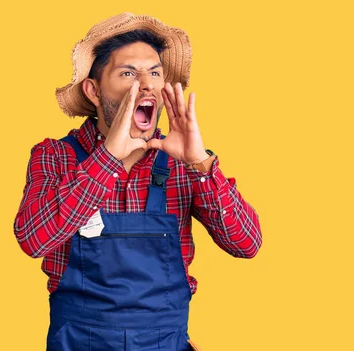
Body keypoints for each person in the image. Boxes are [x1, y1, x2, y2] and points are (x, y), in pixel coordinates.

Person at [14, 12, 262, 351]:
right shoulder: (55, 157)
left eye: (155, 73)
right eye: (128, 73)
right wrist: (107, 159)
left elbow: (246, 244)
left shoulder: (183, 165)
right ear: (94, 91)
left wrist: (201, 164)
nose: (146, 84)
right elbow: (33, 239)